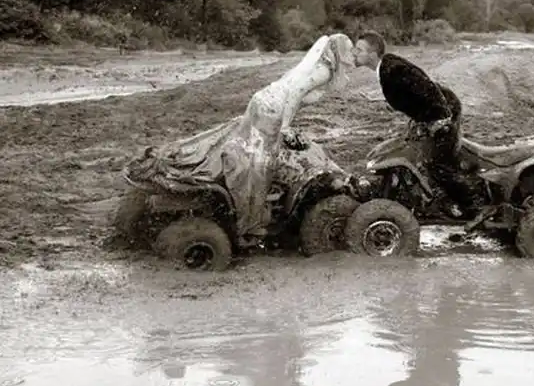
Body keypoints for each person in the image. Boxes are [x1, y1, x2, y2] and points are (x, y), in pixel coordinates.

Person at [124, 33, 356, 249]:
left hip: (264, 101)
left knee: (245, 147)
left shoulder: (316, 67)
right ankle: (250, 221)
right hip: (272, 110)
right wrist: (284, 127)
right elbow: (294, 93)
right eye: (349, 50)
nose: (351, 55)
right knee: (259, 164)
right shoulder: (324, 71)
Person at [352, 30, 477, 214]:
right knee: (422, 153)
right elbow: (413, 96)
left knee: (437, 165)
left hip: (445, 111)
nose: (354, 53)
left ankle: (473, 206)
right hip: (436, 111)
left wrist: (442, 120)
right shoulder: (386, 68)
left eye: (359, 50)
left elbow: (428, 88)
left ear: (372, 54)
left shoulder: (393, 69)